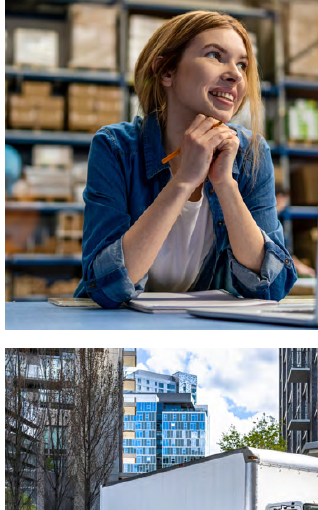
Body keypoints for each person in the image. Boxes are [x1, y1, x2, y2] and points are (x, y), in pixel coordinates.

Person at [75, 10, 297, 308]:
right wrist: (183, 181)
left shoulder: (251, 154)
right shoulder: (115, 148)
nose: (235, 74)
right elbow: (105, 286)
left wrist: (225, 184)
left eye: (242, 64)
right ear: (166, 71)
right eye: (215, 55)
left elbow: (273, 285)